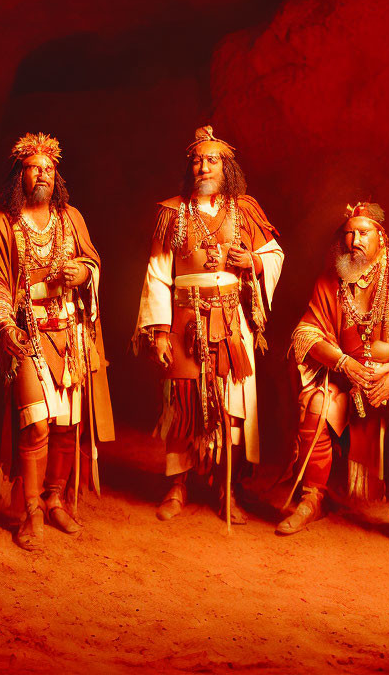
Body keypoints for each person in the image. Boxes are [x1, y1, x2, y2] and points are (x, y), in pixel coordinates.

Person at [277, 202, 389, 547]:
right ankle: (313, 498)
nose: (355, 240)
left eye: (364, 232)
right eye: (349, 233)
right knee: (315, 407)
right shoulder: (332, 278)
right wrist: (344, 364)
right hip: (346, 377)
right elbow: (306, 333)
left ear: (382, 237)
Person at [135, 125, 284, 524]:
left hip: (231, 323)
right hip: (184, 321)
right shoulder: (172, 213)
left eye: (212, 160)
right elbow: (157, 273)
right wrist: (159, 330)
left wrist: (250, 262)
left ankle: (226, 488)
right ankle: (178, 485)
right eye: (198, 160)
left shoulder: (245, 210)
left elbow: (274, 255)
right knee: (182, 404)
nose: (204, 167)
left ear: (227, 167)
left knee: (231, 406)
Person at [0, 133, 114, 551]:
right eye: (33, 167)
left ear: (58, 176)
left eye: (49, 169)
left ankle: (56, 498)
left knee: (69, 424)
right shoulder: (1, 223)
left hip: (71, 333)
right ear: (19, 174)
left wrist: (84, 274)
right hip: (29, 334)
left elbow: (93, 260)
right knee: (36, 422)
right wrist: (5, 327)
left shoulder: (71, 217)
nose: (42, 174)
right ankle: (32, 508)